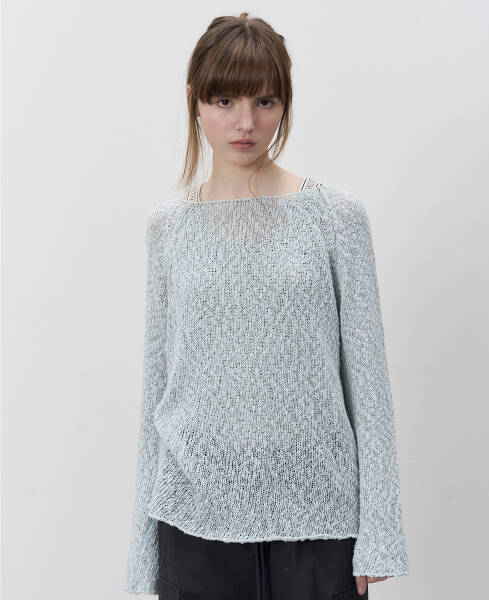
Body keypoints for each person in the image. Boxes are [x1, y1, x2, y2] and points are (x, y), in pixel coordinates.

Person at [125, 12, 409, 600]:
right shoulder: (168, 228)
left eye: (265, 101)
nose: (246, 123)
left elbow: (369, 387)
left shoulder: (335, 217)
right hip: (192, 521)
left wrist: (379, 533)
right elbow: (159, 388)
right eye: (225, 100)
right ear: (194, 100)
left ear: (285, 103)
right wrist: (142, 549)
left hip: (319, 522)